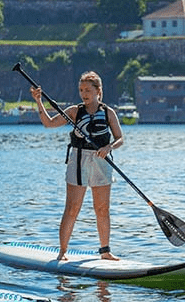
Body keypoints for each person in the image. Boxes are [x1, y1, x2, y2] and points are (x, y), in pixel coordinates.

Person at [30, 71, 124, 261]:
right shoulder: (74, 111)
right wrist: (39, 101)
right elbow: (49, 124)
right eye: (81, 90)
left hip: (102, 161)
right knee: (72, 208)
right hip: (78, 160)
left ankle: (105, 251)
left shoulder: (108, 112)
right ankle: (63, 251)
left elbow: (120, 138)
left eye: (88, 90)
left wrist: (109, 147)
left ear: (98, 91)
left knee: (102, 208)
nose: (84, 94)